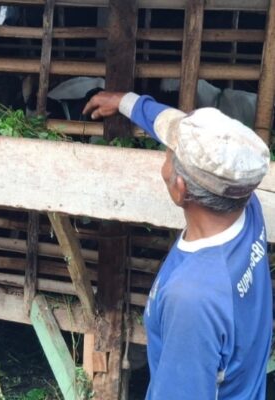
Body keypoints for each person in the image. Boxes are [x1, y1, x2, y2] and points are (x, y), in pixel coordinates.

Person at [83, 92, 272, 399]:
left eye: (168, 153)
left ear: (180, 188)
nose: (165, 156)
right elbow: (177, 127)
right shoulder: (247, 208)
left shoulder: (192, 299)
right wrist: (125, 102)